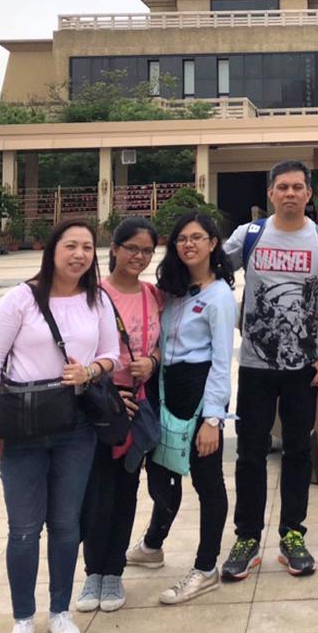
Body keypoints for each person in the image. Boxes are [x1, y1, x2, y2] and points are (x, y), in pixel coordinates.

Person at [0, 220, 119, 633]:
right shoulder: (20, 299)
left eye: (87, 247)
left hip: (73, 426)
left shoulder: (97, 299)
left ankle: (60, 611)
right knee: (23, 529)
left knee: (65, 525)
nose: (79, 254)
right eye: (70, 245)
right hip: (20, 428)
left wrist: (89, 372)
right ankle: (23, 618)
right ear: (53, 250)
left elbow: (112, 354)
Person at [220, 160, 318, 580]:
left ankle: (293, 535)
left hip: (304, 368)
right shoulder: (248, 236)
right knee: (251, 453)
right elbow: (209, 274)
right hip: (255, 365)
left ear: (309, 194)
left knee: (298, 451)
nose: (290, 194)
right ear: (271, 193)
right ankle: (247, 537)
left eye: (298, 187)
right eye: (282, 187)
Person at [126, 210, 236, 603]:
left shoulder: (219, 295)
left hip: (198, 390)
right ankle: (153, 546)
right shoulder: (171, 290)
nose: (188, 244)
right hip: (163, 388)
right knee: (160, 474)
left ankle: (206, 568)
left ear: (213, 243)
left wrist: (213, 418)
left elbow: (222, 361)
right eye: (181, 239)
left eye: (197, 237)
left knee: (207, 482)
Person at [77, 217, 162, 613]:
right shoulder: (91, 295)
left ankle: (114, 572)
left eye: (146, 250)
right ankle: (93, 571)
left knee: (126, 490)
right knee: (96, 492)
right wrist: (108, 390)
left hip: (138, 404)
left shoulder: (153, 295)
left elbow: (164, 344)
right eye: (132, 248)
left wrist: (153, 361)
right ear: (115, 248)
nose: (139, 257)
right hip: (100, 405)